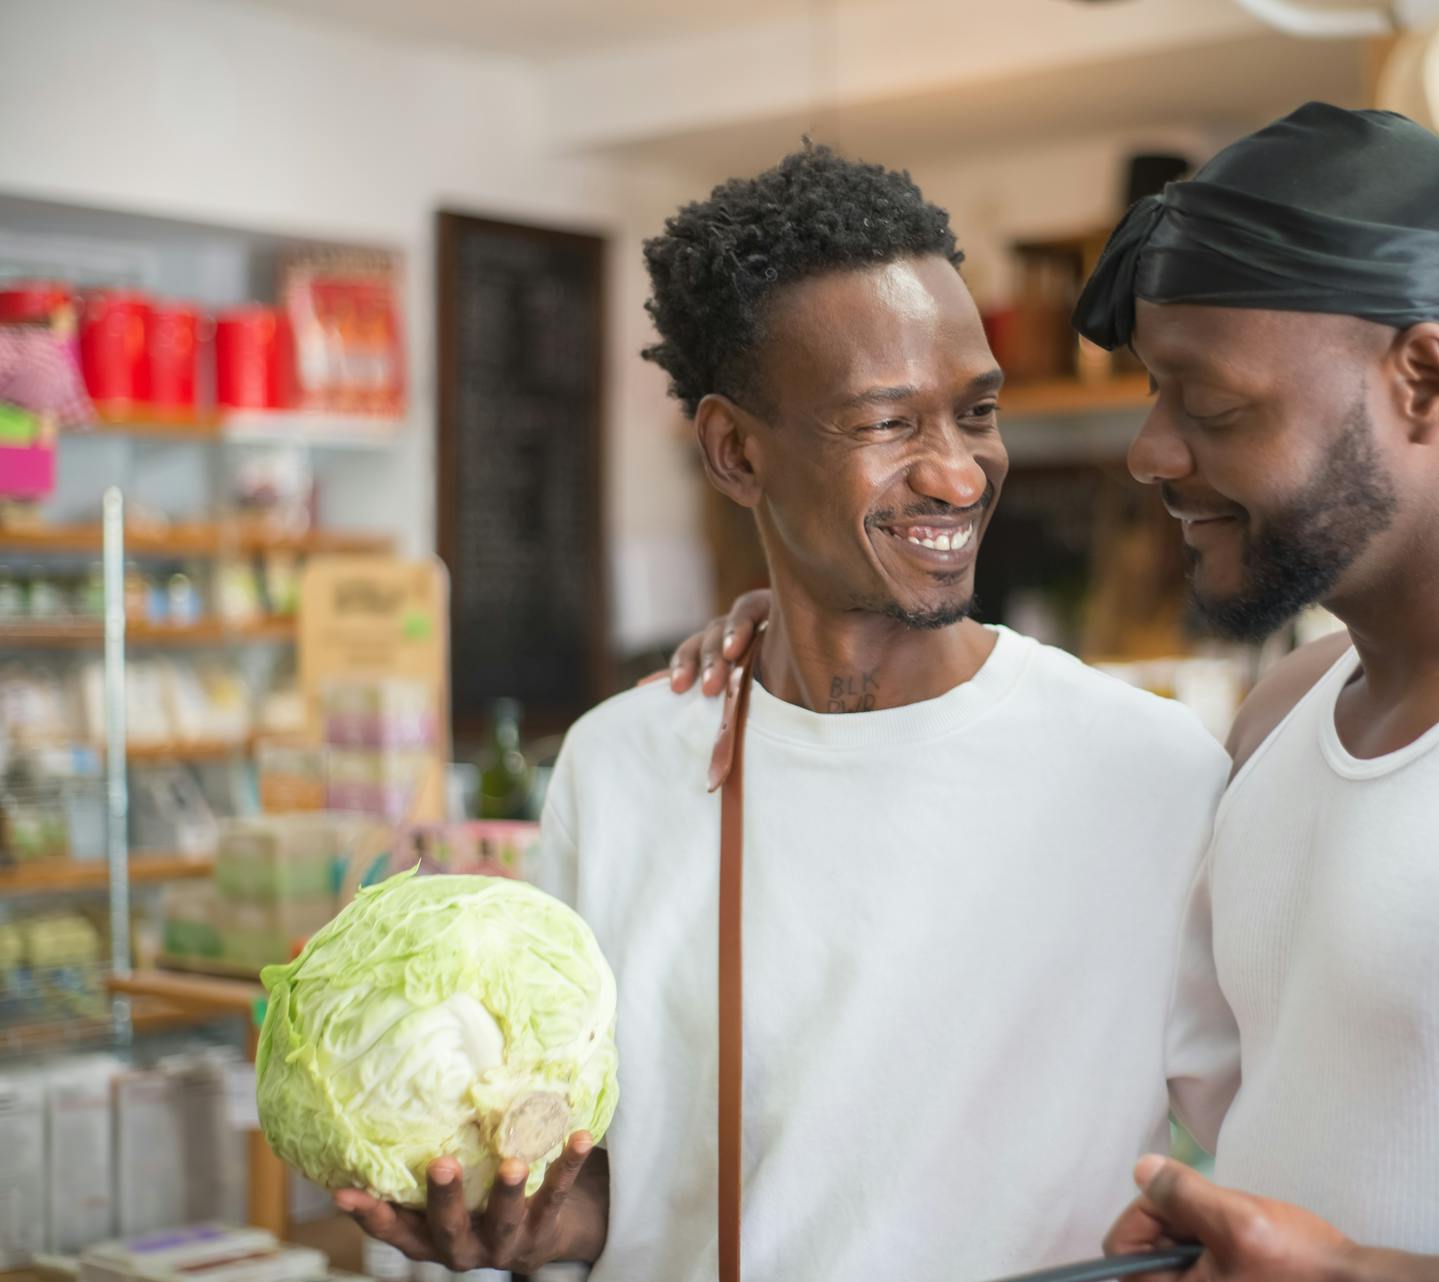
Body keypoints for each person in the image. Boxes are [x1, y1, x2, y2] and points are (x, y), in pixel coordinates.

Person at [683, 105, 1439, 1279]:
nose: (1153, 454)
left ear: (1426, 383)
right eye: (1157, 395)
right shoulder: (1282, 718)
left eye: (1211, 406)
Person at [339, 144, 1235, 1281]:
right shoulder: (621, 768)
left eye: (977, 411)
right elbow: (627, 1169)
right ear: (734, 452)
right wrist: (532, 1222)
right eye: (890, 425)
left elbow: (1268, 1164)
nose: (960, 474)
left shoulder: (1147, 774)